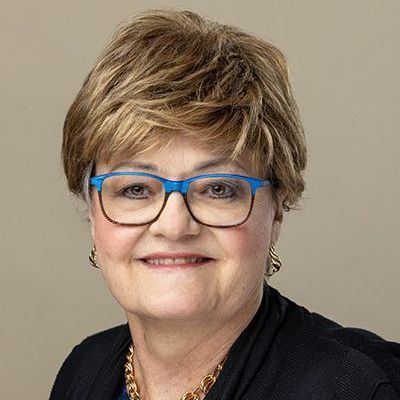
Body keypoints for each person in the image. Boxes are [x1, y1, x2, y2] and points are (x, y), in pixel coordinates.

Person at [49, 8, 400, 400]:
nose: (174, 225)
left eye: (217, 189)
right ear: (93, 210)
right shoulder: (85, 370)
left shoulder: (357, 388)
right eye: (135, 189)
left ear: (278, 207)